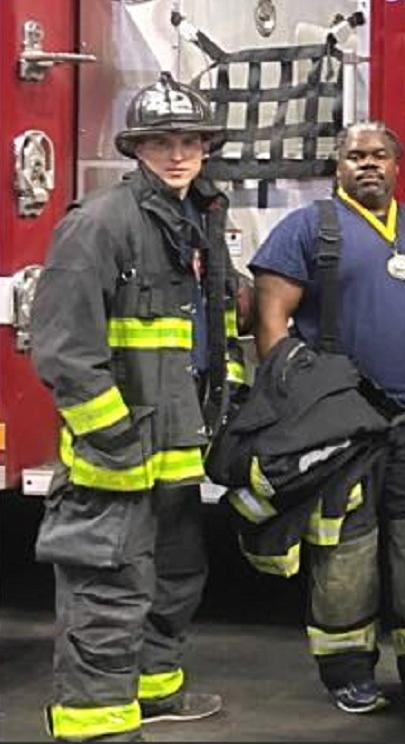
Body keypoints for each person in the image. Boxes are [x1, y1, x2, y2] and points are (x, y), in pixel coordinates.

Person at [29, 71, 244, 740]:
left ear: (207, 147)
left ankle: (154, 692)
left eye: (190, 141)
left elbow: (214, 331)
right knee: (108, 594)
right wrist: (114, 438)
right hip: (117, 461)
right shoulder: (100, 224)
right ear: (135, 149)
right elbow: (64, 349)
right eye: (160, 143)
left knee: (174, 579)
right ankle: (95, 725)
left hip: (179, 451)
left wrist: (226, 415)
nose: (177, 154)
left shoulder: (201, 218)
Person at [249, 120, 405, 716]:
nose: (367, 164)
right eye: (355, 156)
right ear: (338, 168)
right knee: (345, 549)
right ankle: (347, 671)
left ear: (398, 165)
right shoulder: (307, 229)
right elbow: (270, 320)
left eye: (379, 155)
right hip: (342, 423)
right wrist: (298, 405)